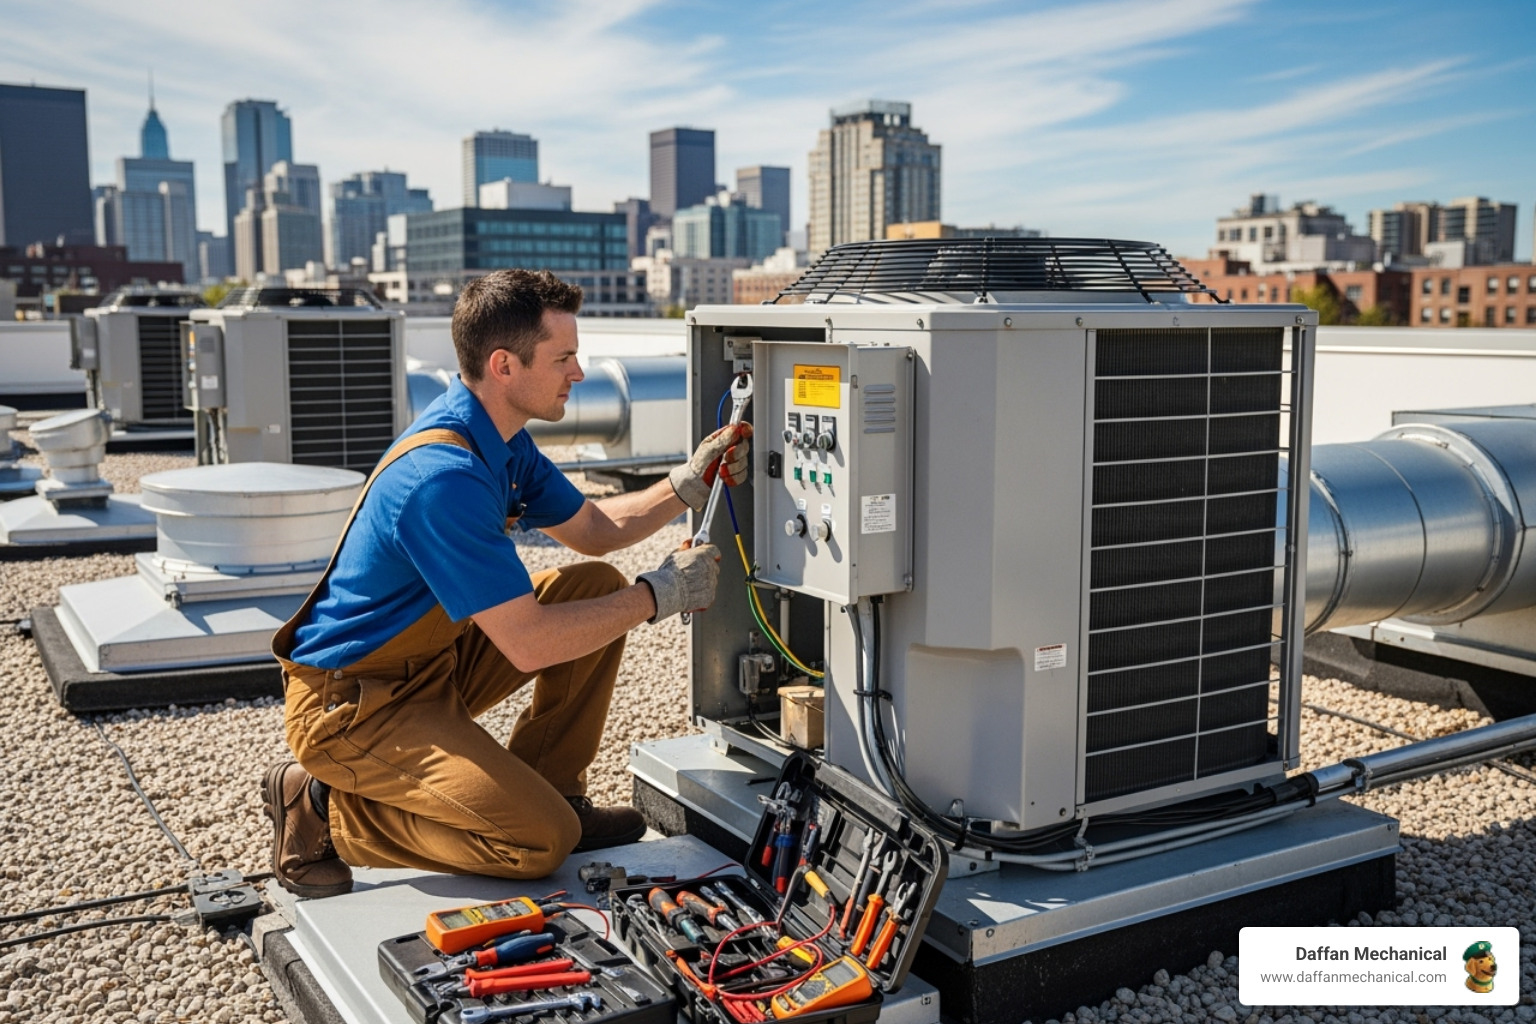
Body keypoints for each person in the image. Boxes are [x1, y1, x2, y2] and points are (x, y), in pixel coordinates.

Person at [261, 269, 750, 897]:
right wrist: (658, 595)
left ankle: (554, 790)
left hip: (429, 664)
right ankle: (323, 808)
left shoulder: (500, 439)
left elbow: (597, 528)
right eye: (564, 357)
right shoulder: (445, 478)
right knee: (536, 843)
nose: (579, 372)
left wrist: (688, 483)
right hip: (352, 704)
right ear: (504, 366)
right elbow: (529, 644)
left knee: (591, 584)